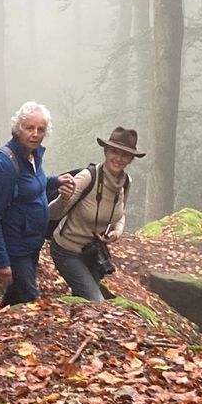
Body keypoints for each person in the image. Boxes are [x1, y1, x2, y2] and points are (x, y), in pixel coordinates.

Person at [0, 102, 75, 306]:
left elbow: (32, 184)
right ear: (18, 128)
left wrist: (56, 181)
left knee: (16, 299)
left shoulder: (33, 155)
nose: (35, 134)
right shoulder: (4, 164)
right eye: (29, 128)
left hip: (32, 242)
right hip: (16, 248)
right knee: (33, 304)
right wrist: (2, 262)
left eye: (40, 129)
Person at [48, 127, 143, 301]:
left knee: (83, 303)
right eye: (114, 151)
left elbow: (121, 213)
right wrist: (63, 198)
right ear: (106, 151)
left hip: (93, 253)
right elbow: (52, 214)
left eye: (125, 155)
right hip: (66, 249)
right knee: (96, 301)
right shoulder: (88, 177)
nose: (118, 158)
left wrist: (116, 232)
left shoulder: (126, 183)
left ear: (131, 159)